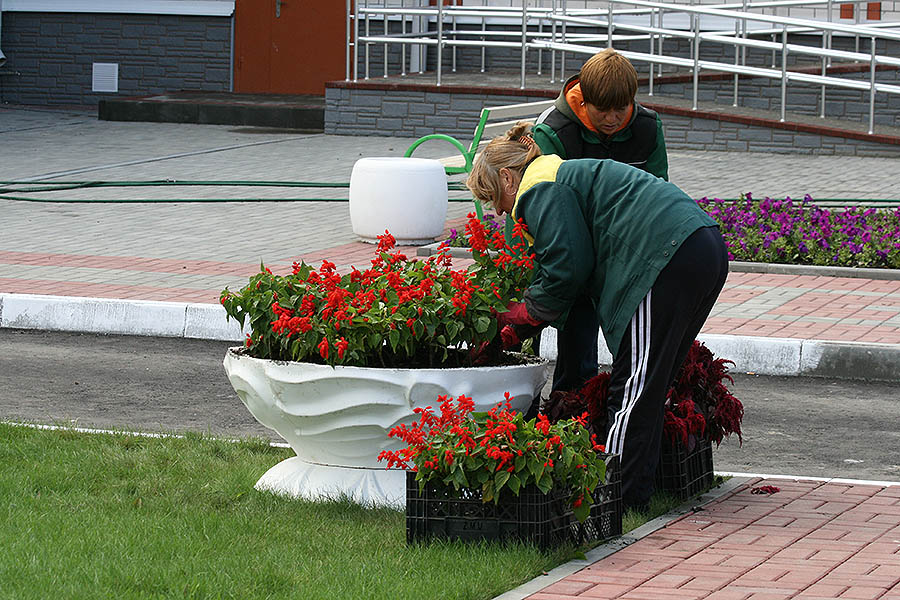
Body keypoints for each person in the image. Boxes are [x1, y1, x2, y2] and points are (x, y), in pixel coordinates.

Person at [466, 123, 728, 512]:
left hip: (664, 260)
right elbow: (573, 271)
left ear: (507, 176)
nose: (499, 210)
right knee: (650, 384)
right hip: (702, 247)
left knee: (632, 392)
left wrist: (519, 314)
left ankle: (615, 499)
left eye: (493, 197)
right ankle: (639, 492)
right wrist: (521, 326)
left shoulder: (538, 189)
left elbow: (566, 269)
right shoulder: (561, 173)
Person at [531, 48, 669, 394]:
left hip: (620, 247)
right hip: (565, 245)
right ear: (584, 100)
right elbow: (542, 205)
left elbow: (658, 195)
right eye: (601, 110)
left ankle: (613, 399)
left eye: (620, 109)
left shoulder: (648, 128)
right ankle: (559, 400)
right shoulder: (554, 132)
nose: (611, 119)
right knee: (569, 314)